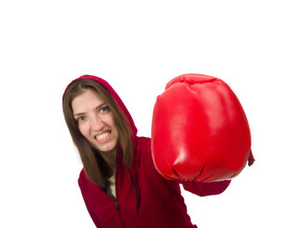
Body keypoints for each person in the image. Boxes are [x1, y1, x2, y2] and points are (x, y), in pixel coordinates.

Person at [61, 75, 252, 228]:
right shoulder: (86, 180)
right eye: (82, 118)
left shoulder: (151, 152)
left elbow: (204, 185)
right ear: (75, 127)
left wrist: (226, 145)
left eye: (103, 109)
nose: (97, 125)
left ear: (117, 109)